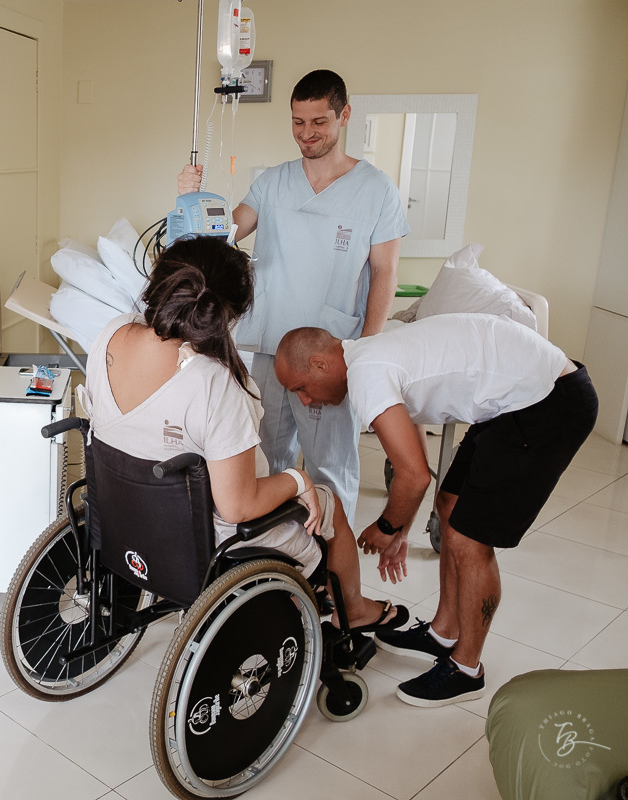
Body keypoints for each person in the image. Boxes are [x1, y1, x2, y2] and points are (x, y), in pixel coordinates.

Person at [78, 235, 408, 632]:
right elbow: (236, 507)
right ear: (231, 311)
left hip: (123, 516)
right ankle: (351, 610)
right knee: (328, 503)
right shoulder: (218, 382)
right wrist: (297, 479)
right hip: (201, 541)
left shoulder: (111, 334)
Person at [273, 314, 598, 706]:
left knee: (468, 539)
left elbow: (412, 477)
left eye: (302, 388)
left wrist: (388, 527)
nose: (306, 400)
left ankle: (466, 670)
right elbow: (414, 451)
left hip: (548, 402)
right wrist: (405, 529)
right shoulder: (371, 355)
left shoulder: (366, 375)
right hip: (517, 400)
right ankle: (443, 633)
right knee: (450, 504)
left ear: (320, 364)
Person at [178, 69, 409, 523]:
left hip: (329, 353)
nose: (307, 134)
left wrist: (364, 349)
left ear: (344, 115)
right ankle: (276, 559)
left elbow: (385, 272)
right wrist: (189, 199)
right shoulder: (273, 183)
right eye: (298, 123)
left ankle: (332, 572)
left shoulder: (376, 190)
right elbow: (224, 233)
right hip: (266, 345)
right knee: (263, 461)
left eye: (319, 122)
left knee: (330, 467)